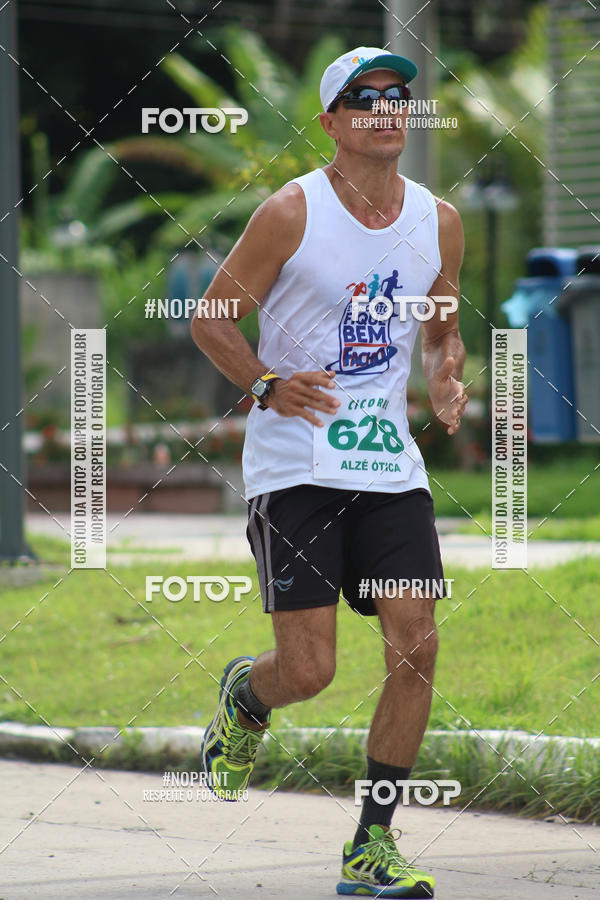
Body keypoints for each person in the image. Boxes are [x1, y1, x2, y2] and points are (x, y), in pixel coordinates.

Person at [191, 45, 467, 900]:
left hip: (388, 464)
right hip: (295, 463)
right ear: (332, 121)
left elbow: (439, 327)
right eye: (364, 97)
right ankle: (248, 696)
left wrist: (448, 373)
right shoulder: (290, 212)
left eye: (398, 95)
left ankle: (370, 846)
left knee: (416, 643)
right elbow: (212, 318)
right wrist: (266, 383)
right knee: (310, 672)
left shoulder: (440, 220)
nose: (386, 108)